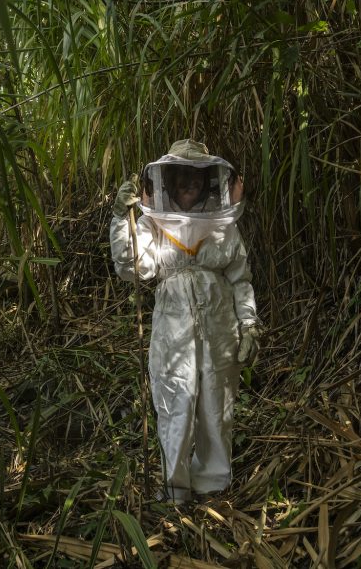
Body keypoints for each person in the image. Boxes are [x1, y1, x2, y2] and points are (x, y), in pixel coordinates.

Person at [110, 139, 263, 504]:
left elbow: (241, 279)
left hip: (220, 325)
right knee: (176, 400)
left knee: (217, 401)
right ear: (170, 182)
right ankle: (175, 491)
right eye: (181, 178)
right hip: (172, 329)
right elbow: (131, 267)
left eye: (196, 178)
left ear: (209, 181)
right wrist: (121, 218)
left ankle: (213, 485)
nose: (189, 185)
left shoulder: (224, 226)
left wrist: (249, 324)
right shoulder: (153, 224)